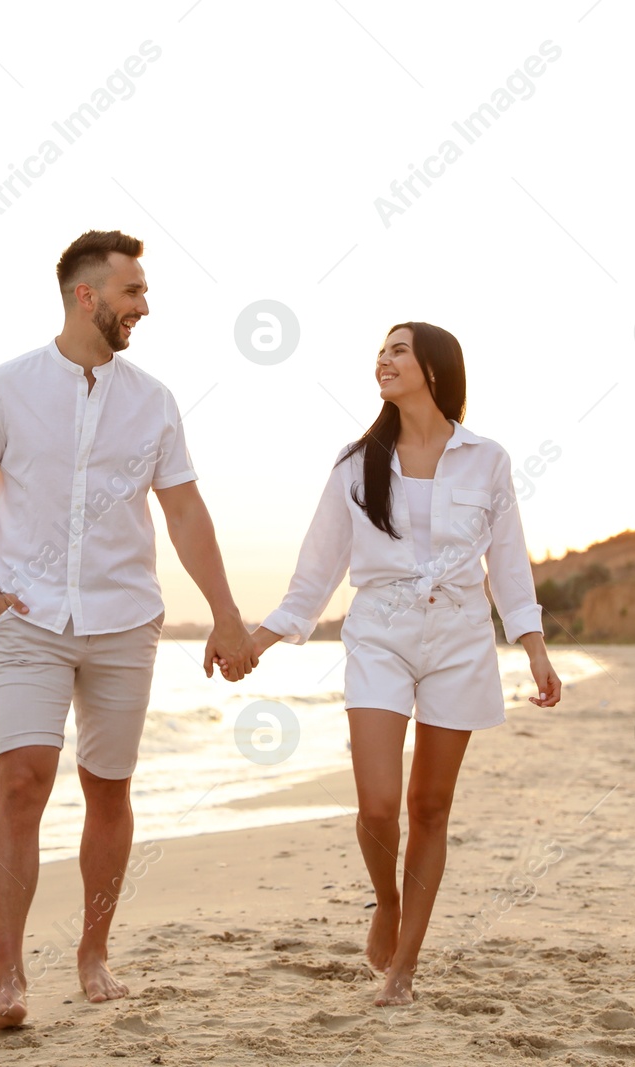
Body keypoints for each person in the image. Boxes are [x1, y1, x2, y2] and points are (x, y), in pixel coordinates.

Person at [0, 229, 258, 1029]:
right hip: (29, 619)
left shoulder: (153, 400)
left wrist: (225, 613)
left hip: (124, 620)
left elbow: (183, 511)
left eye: (142, 293)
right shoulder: (4, 387)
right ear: (87, 296)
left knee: (108, 788)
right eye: (132, 293)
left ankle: (93, 950)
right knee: (22, 782)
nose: (143, 306)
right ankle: (8, 976)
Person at [234, 321, 562, 1006]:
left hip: (460, 640)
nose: (382, 360)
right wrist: (257, 641)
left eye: (397, 350)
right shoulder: (356, 463)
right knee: (379, 804)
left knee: (431, 805)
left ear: (435, 369)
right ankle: (387, 899)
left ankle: (404, 967)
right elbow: (315, 573)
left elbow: (507, 563)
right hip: (378, 635)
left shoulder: (487, 460)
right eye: (379, 351)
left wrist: (533, 648)